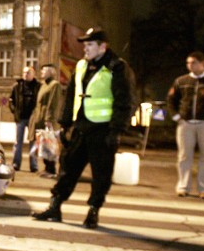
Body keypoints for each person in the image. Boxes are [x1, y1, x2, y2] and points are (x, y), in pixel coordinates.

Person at [32, 27, 133, 229]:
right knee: (67, 169)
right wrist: (65, 124)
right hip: (80, 128)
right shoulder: (80, 66)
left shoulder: (116, 67)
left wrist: (116, 130)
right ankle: (55, 206)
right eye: (84, 45)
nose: (85, 49)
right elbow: (70, 96)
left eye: (89, 45)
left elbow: (125, 101)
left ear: (102, 46)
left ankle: (93, 211)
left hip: (103, 130)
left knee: (101, 174)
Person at [167, 51, 204, 199]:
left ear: (202, 63)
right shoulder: (181, 81)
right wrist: (176, 116)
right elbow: (171, 99)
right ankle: (183, 187)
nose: (189, 65)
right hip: (186, 123)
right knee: (184, 156)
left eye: (193, 62)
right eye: (188, 63)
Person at [28, 64, 63, 178]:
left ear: (51, 72)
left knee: (49, 145)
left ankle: (51, 169)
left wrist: (49, 119)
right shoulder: (43, 85)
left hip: (47, 120)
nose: (41, 73)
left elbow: (53, 103)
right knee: (43, 144)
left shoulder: (54, 85)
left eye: (44, 71)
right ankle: (47, 168)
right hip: (39, 118)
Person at [9, 66, 40, 171]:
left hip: (33, 119)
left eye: (28, 72)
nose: (25, 74)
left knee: (33, 142)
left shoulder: (38, 86)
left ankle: (34, 165)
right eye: (24, 72)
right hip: (20, 118)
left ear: (33, 74)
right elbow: (11, 101)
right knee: (18, 142)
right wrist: (14, 111)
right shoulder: (17, 86)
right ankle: (16, 164)